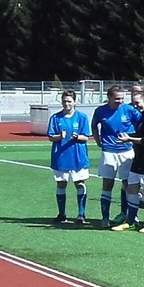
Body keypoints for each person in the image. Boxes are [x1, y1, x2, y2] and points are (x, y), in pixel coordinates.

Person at [113, 86, 144, 232]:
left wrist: (129, 138)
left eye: (138, 103)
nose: (135, 106)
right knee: (132, 187)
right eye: (133, 103)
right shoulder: (142, 116)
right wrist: (128, 136)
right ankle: (130, 221)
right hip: (139, 159)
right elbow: (141, 133)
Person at [92, 85, 140, 227]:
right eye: (117, 98)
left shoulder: (129, 110)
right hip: (109, 151)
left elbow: (141, 124)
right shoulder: (100, 111)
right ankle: (105, 218)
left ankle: (131, 216)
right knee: (107, 184)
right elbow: (94, 126)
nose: (120, 101)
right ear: (109, 98)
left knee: (129, 184)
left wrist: (134, 140)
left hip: (126, 151)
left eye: (122, 98)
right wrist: (98, 141)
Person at [46, 90, 90, 223]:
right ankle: (62, 214)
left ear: (75, 102)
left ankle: (81, 214)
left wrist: (78, 137)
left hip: (78, 156)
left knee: (79, 183)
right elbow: (50, 137)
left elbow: (86, 137)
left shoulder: (82, 117)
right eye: (64, 101)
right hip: (60, 156)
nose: (67, 103)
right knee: (61, 184)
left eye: (69, 101)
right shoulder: (55, 118)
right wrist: (59, 137)